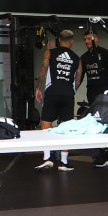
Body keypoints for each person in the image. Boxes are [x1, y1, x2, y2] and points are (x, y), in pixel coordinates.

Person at [34, 30, 81, 171]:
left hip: (52, 93)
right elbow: (78, 79)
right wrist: (71, 91)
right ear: (72, 41)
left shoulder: (50, 53)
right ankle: (64, 163)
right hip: (67, 95)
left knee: (46, 127)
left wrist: (38, 88)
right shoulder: (77, 58)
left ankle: (47, 158)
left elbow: (43, 70)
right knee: (65, 129)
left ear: (59, 40)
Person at [78, 30, 108, 168]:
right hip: (92, 94)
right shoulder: (83, 57)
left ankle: (104, 154)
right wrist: (73, 90)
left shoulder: (106, 54)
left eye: (89, 39)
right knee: (94, 123)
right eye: (85, 39)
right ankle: (102, 153)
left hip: (105, 93)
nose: (87, 41)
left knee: (103, 122)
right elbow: (80, 76)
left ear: (96, 38)